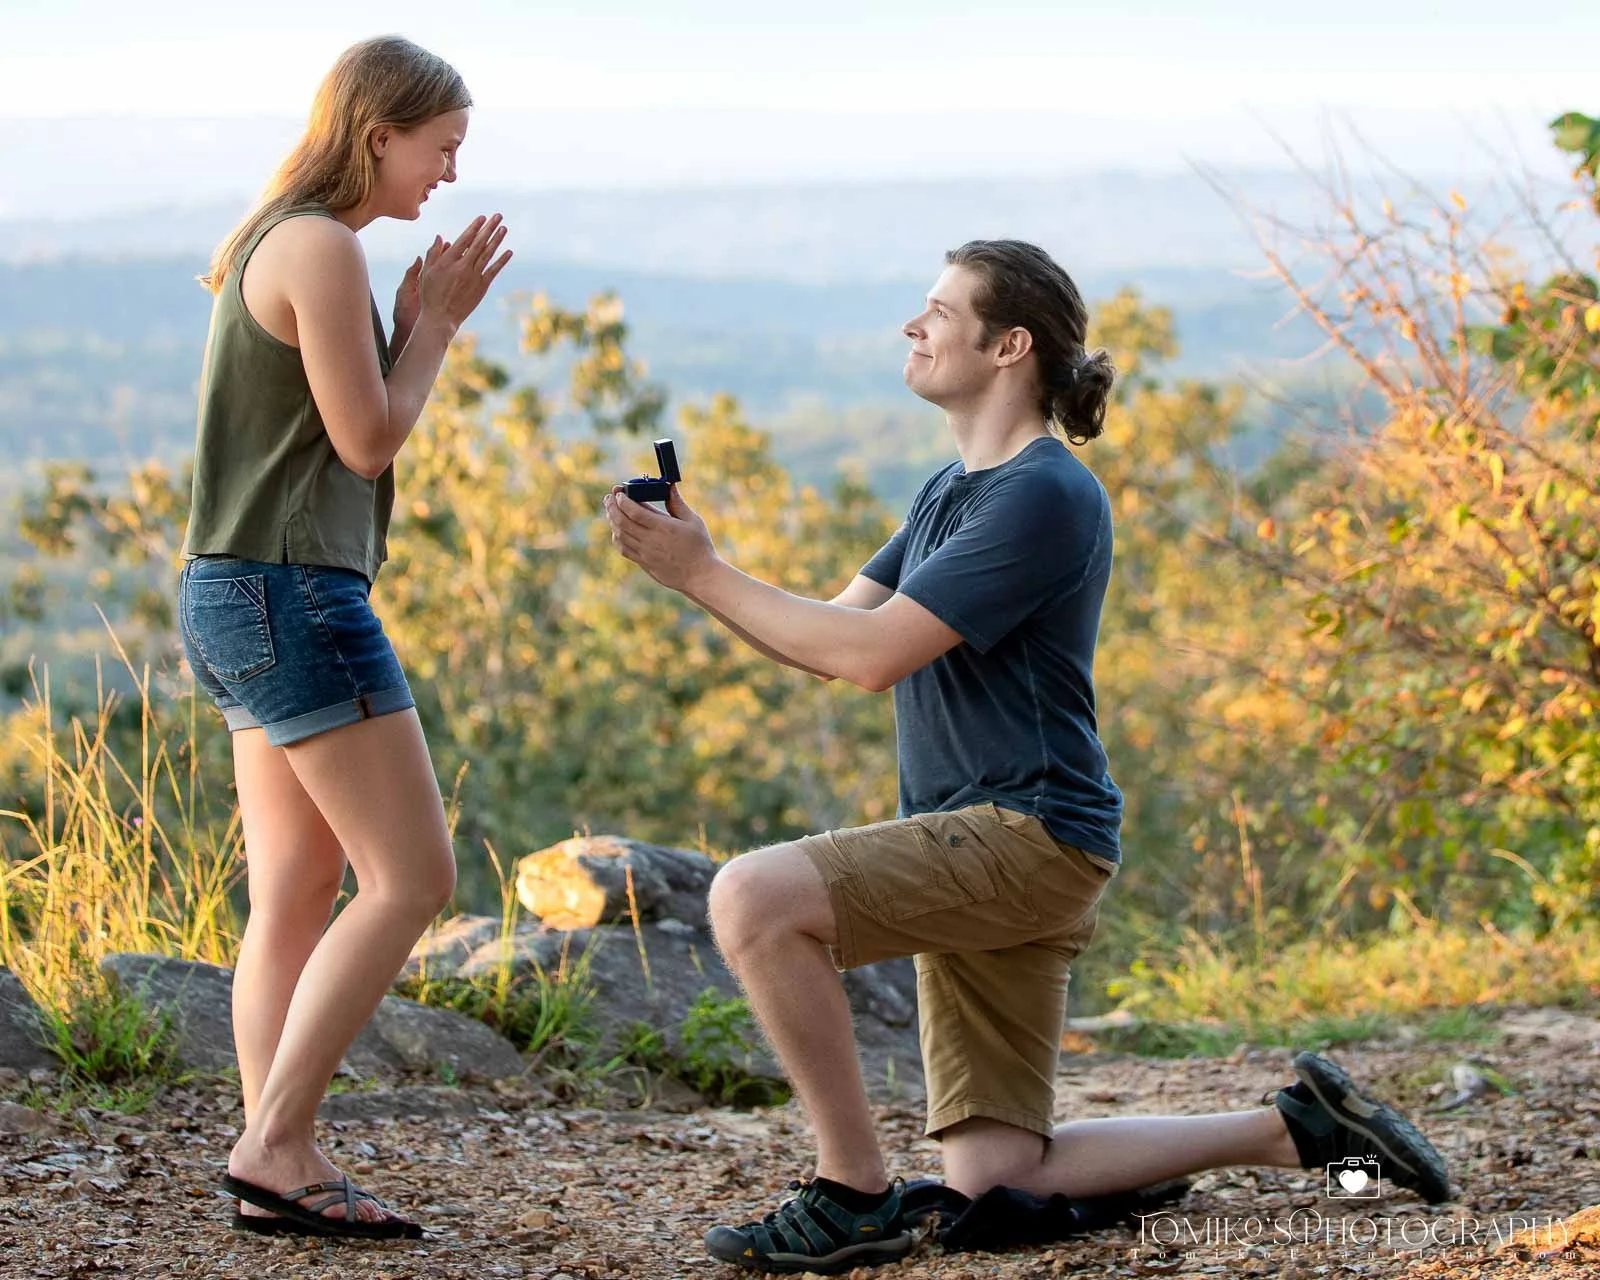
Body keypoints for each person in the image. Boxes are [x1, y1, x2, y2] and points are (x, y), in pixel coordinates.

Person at [604, 239, 1450, 1274]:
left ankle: (850, 1190)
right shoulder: (949, 488)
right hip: (983, 837)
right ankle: (1300, 1132)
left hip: (1027, 831)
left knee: (751, 897)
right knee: (996, 1180)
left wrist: (708, 572)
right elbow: (829, 636)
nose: (912, 327)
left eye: (936, 309)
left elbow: (870, 658)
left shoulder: (1042, 494)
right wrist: (697, 569)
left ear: (1009, 345)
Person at [177, 35, 511, 1239]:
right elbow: (368, 442)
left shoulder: (283, 237)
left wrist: (408, 316)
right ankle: (274, 1147)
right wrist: (434, 326)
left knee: (299, 888)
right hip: (292, 595)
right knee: (412, 876)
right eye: (443, 148)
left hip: (227, 589)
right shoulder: (318, 246)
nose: (449, 175)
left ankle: (281, 1147)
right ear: (380, 134)